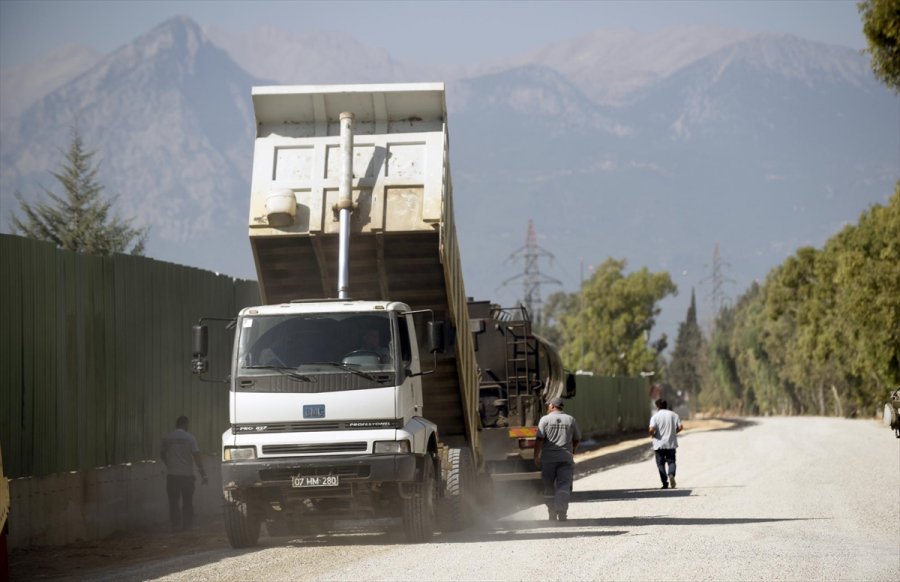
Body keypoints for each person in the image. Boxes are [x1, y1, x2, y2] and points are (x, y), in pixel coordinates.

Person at [535, 397, 581, 521]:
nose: (547, 407)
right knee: (564, 486)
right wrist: (572, 452)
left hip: (548, 459)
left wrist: (536, 456)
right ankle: (562, 512)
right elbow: (577, 439)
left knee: (549, 487)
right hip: (565, 459)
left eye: (548, 405)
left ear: (552, 406)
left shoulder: (544, 419)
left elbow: (539, 439)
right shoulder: (570, 419)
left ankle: (551, 513)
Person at [160, 416, 207, 532]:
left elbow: (162, 454)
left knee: (173, 501)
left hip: (172, 476)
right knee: (187, 501)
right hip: (186, 476)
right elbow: (196, 456)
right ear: (185, 424)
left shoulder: (168, 437)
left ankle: (175, 525)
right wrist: (203, 473)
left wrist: (169, 465)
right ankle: (187, 525)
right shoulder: (190, 438)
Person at [649, 398, 683, 489]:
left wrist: (653, 434)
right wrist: (674, 433)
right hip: (671, 443)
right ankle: (671, 474)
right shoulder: (674, 415)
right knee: (671, 462)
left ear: (657, 406)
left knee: (660, 464)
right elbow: (680, 427)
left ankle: (665, 483)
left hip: (659, 444)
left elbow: (651, 429)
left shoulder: (655, 417)